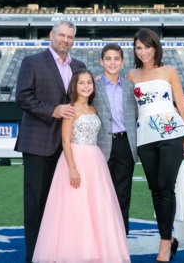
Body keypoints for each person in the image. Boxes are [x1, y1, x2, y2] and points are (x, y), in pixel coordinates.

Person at [32, 69, 130, 263]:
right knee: (75, 206)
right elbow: (66, 141)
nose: (86, 86)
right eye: (81, 83)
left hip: (94, 160)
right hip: (76, 159)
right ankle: (74, 253)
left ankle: (98, 251)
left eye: (89, 83)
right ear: (74, 87)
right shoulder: (70, 109)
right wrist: (72, 168)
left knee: (97, 207)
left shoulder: (93, 109)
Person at [15, 21, 86, 263]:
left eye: (70, 37)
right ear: (51, 35)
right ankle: (35, 257)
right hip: (39, 143)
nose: (65, 40)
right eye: (61, 35)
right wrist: (52, 111)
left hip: (71, 147)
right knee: (36, 205)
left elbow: (83, 102)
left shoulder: (79, 66)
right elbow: (22, 97)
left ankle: (60, 254)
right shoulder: (32, 62)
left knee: (66, 205)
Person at [127, 28, 184, 262]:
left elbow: (182, 104)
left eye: (147, 46)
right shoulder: (131, 76)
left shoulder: (169, 71)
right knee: (155, 189)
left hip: (171, 132)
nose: (143, 51)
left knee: (166, 187)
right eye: (139, 47)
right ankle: (169, 237)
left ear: (155, 47)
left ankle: (165, 244)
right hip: (144, 136)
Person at [93, 43, 139, 235]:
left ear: (122, 62)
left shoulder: (130, 87)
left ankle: (120, 243)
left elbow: (138, 113)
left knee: (122, 195)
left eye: (116, 59)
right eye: (108, 59)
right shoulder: (92, 85)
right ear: (101, 61)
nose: (112, 62)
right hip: (100, 145)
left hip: (125, 144)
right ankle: (100, 240)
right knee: (100, 195)